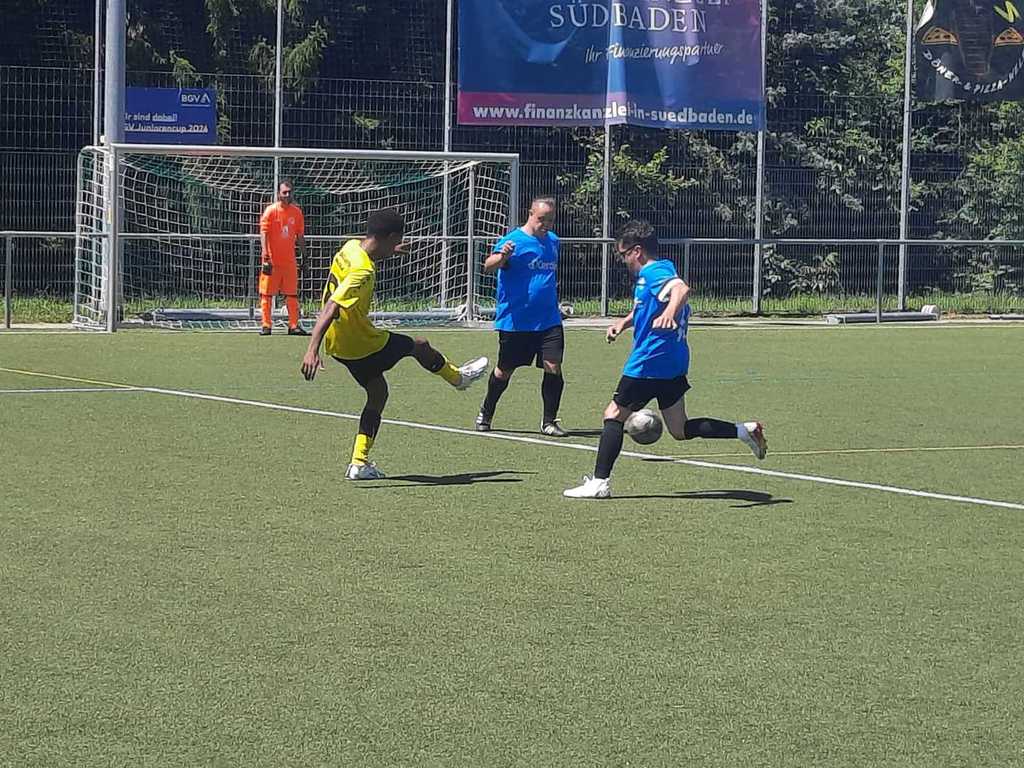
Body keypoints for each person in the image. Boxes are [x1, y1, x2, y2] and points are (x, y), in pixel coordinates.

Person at [564, 220, 767, 499]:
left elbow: (681, 290)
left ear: (637, 251)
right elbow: (646, 307)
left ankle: (599, 483)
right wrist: (623, 323)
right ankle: (744, 431)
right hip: (673, 362)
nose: (623, 261)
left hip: (649, 362)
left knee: (613, 415)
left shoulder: (654, 271)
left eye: (623, 254)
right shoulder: (660, 270)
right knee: (679, 429)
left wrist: (670, 313)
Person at [300, 209, 489, 480]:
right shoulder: (363, 271)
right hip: (362, 342)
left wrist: (392, 250)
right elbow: (332, 306)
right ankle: (458, 378)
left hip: (338, 344)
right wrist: (311, 349)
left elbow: (366, 255)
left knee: (378, 392)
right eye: (396, 241)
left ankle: (359, 463)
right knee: (418, 345)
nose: (397, 245)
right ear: (388, 237)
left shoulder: (350, 247)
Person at [476, 196, 567, 436]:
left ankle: (549, 421)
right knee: (504, 371)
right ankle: (486, 411)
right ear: (530, 214)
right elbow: (488, 266)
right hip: (516, 322)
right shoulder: (514, 241)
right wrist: (503, 256)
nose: (546, 224)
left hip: (548, 320)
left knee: (553, 366)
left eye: (550, 220)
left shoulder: (553, 241)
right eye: (541, 219)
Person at [259, 179, 308, 336]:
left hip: (289, 262)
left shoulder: (297, 212)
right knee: (266, 293)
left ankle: (293, 325)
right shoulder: (270, 211)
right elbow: (263, 233)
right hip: (272, 261)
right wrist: (265, 254)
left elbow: (300, 235)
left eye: (289, 192)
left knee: (292, 294)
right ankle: (266, 325)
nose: (287, 195)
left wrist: (304, 255)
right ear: (278, 194)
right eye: (284, 192)